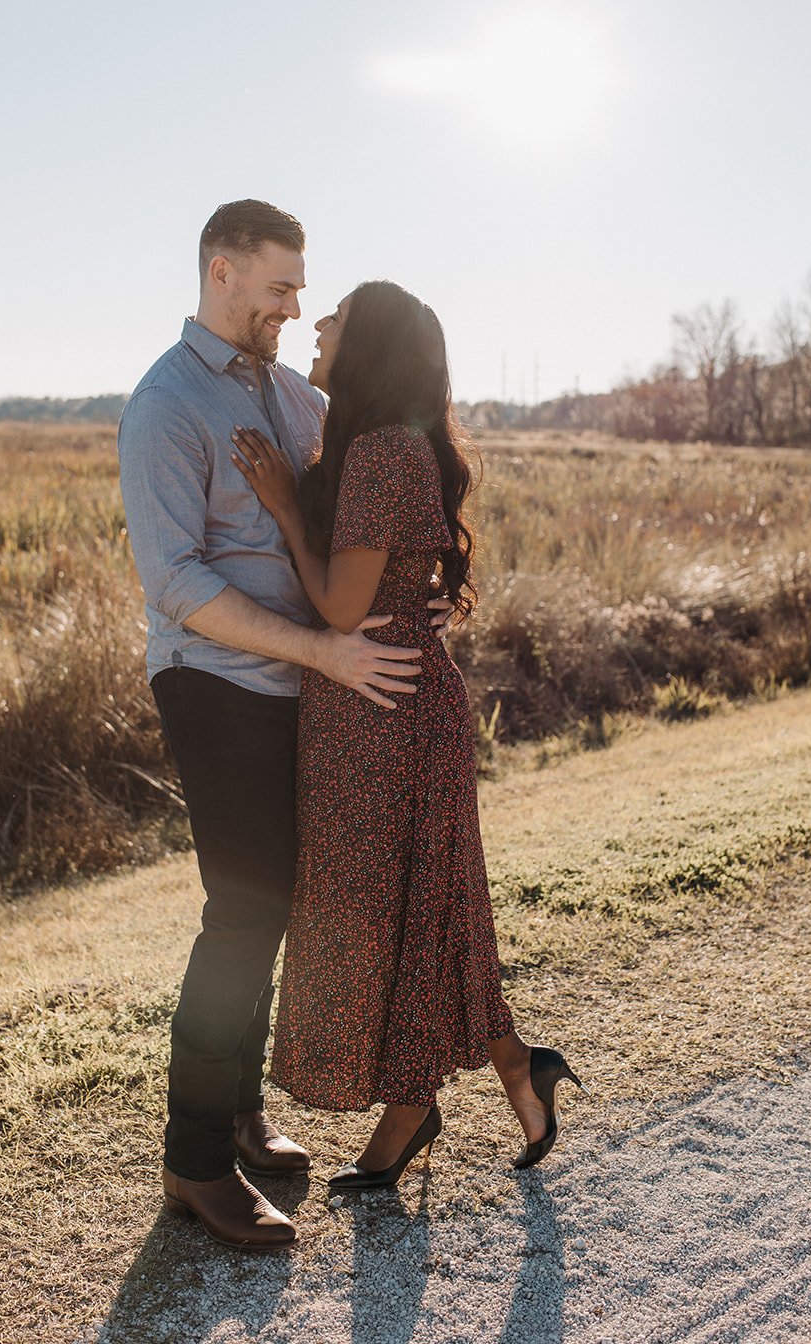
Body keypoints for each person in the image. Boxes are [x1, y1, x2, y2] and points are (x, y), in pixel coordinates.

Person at [118, 202, 436, 1250]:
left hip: (310, 685)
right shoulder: (164, 406)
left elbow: (362, 524)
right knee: (243, 911)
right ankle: (194, 1164)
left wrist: (419, 599)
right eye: (279, 287)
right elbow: (174, 582)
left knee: (282, 903)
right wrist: (323, 652)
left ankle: (243, 1112)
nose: (296, 308)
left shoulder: (301, 401)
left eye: (305, 290)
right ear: (221, 272)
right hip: (216, 679)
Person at [231, 280, 587, 1192]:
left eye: (338, 317)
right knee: (423, 905)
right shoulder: (379, 445)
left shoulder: (384, 453)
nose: (318, 324)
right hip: (378, 711)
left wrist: (280, 510)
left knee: (395, 911)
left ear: (369, 346)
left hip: (382, 719)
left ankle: (429, 1098)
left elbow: (344, 605)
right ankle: (489, 1077)